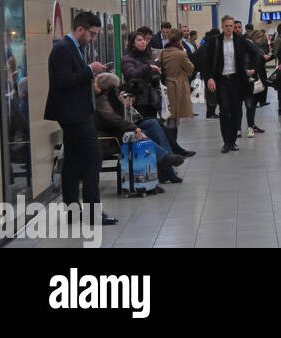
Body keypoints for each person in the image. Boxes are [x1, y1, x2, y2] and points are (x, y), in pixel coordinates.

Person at [44, 12, 115, 224]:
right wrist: (88, 70)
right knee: (93, 158)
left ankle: (73, 210)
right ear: (80, 29)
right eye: (92, 34)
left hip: (77, 112)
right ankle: (93, 211)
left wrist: (90, 73)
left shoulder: (75, 48)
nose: (93, 39)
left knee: (73, 163)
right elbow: (64, 81)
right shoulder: (63, 49)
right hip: (72, 115)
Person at [93, 72, 184, 184]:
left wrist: (125, 105)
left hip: (119, 131)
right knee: (144, 132)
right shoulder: (103, 101)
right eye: (116, 87)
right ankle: (165, 161)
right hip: (110, 138)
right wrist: (134, 128)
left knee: (153, 124)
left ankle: (166, 162)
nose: (118, 90)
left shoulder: (110, 98)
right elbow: (116, 120)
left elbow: (123, 119)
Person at [203, 16, 256, 153]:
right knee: (225, 110)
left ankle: (233, 141)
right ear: (222, 26)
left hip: (237, 80)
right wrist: (209, 78)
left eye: (231, 26)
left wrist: (252, 69)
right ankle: (226, 142)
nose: (229, 28)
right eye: (226, 26)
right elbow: (206, 62)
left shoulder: (240, 40)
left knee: (236, 111)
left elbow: (255, 53)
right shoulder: (214, 41)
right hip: (221, 81)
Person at [159, 31, 197, 154]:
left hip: (167, 86)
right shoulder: (181, 53)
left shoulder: (164, 52)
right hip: (177, 87)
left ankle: (172, 148)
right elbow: (190, 68)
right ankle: (173, 148)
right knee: (173, 120)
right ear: (179, 40)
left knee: (170, 118)